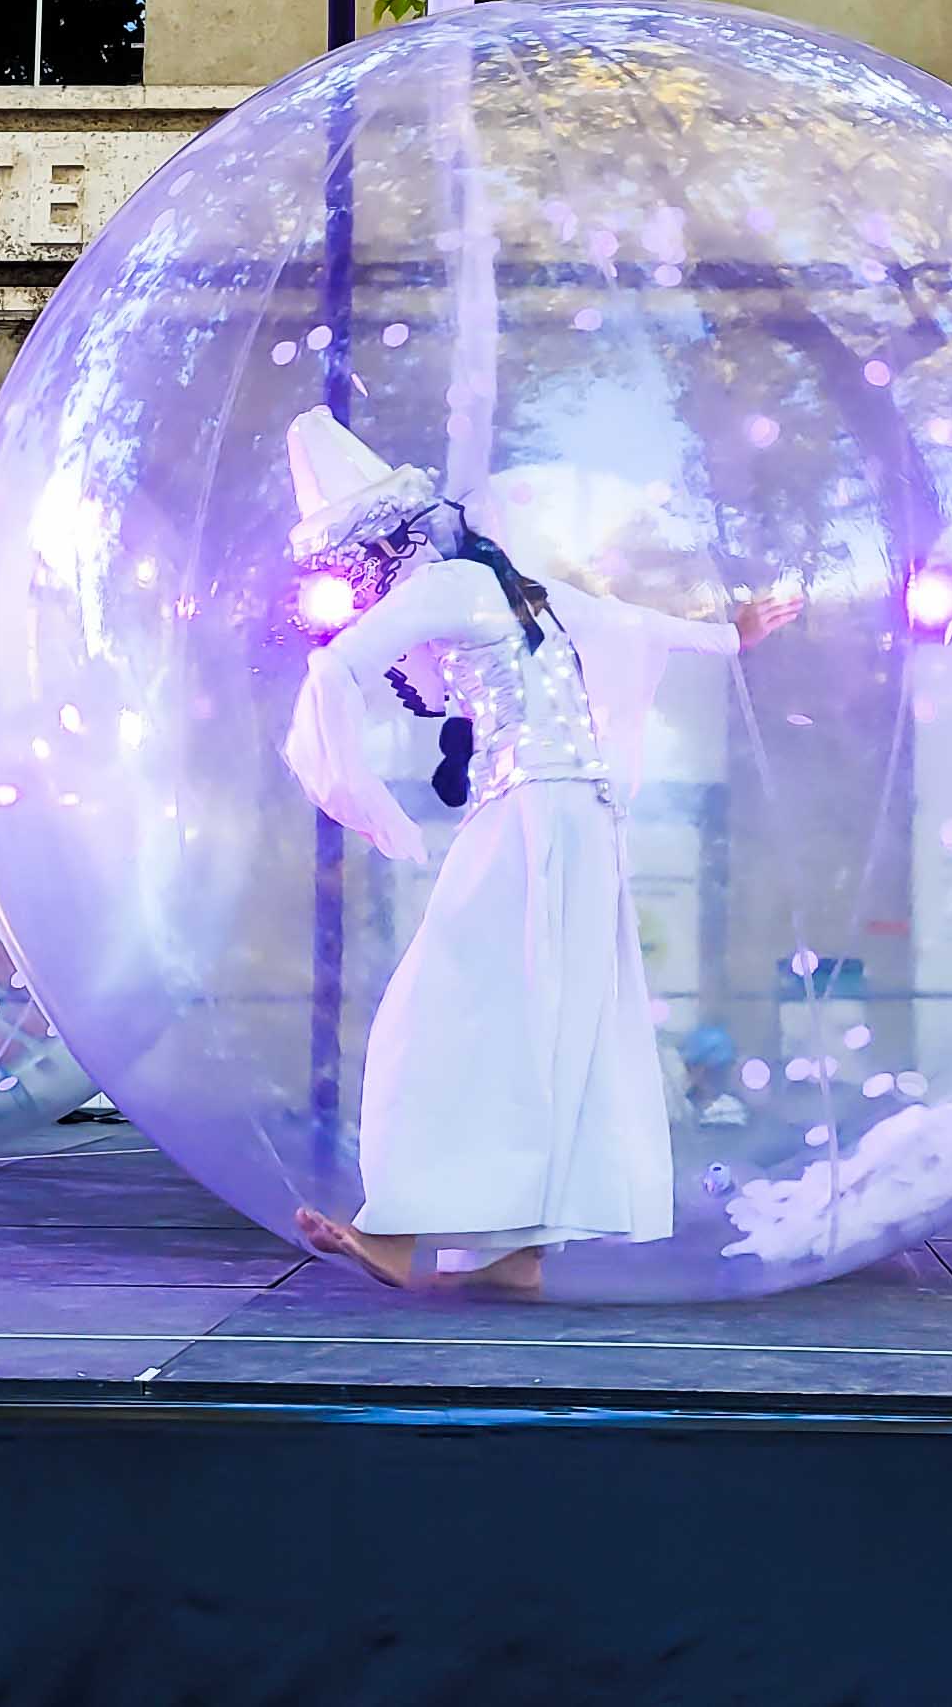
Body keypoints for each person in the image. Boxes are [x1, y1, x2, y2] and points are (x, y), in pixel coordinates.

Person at [275, 409, 796, 1296]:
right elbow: (633, 625)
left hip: (534, 812)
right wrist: (732, 636)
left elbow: (338, 670)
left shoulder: (446, 591)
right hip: (573, 816)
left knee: (445, 1005)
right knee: (548, 1018)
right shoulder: (517, 592)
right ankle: (517, 1249)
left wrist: (356, 798)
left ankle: (399, 1231)